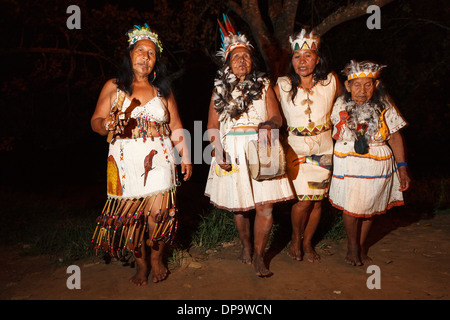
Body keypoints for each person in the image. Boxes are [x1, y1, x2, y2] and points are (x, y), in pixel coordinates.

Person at [90, 23, 192, 285]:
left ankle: (157, 260)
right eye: (140, 50)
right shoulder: (114, 86)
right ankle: (141, 264)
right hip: (125, 163)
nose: (145, 57)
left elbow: (177, 125)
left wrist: (186, 155)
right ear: (130, 54)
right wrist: (107, 125)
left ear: (156, 61)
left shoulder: (163, 90)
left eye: (151, 53)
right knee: (131, 221)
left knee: (158, 217)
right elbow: (96, 122)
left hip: (160, 159)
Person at [204, 15, 295, 277]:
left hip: (262, 147)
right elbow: (212, 125)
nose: (242, 61)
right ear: (227, 63)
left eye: (246, 56)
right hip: (231, 149)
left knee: (265, 206)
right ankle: (245, 245)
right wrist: (218, 150)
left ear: (252, 61)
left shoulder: (264, 85)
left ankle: (259, 256)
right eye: (236, 57)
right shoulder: (218, 90)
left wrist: (270, 124)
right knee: (240, 206)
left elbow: (278, 117)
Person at [329, 60, 411, 266]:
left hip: (378, 161)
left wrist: (402, 168)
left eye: (368, 85)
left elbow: (395, 136)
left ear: (376, 85)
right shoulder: (340, 104)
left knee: (370, 206)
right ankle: (352, 246)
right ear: (348, 86)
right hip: (348, 160)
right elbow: (334, 133)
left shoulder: (385, 104)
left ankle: (362, 244)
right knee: (352, 206)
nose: (362, 90)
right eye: (357, 85)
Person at [275, 29, 342, 263]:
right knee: (303, 201)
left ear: (317, 58)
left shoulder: (331, 81)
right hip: (296, 151)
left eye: (307, 56)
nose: (302, 62)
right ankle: (295, 239)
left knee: (317, 201)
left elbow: (344, 106)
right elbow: (270, 112)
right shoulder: (282, 85)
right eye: (297, 57)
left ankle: (307, 242)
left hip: (324, 150)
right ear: (291, 60)